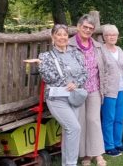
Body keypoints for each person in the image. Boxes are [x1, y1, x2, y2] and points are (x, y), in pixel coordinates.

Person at [38, 24, 87, 166]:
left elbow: (85, 73)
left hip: (74, 97)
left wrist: (76, 84)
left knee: (68, 131)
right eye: (59, 34)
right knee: (74, 128)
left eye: (65, 35)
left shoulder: (76, 53)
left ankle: (67, 163)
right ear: (53, 37)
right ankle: (71, 164)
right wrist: (66, 83)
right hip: (57, 98)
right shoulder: (45, 56)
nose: (62, 37)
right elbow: (48, 78)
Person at [68, 14, 107, 165]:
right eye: (85, 27)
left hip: (94, 89)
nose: (88, 30)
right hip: (76, 91)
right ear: (78, 27)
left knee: (94, 120)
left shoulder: (97, 46)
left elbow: (103, 68)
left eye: (91, 28)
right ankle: (85, 155)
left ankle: (97, 154)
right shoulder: (69, 44)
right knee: (80, 122)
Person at [101, 24, 123, 156]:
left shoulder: (120, 50)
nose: (112, 37)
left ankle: (118, 143)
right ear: (104, 37)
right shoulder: (101, 51)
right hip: (109, 90)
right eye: (109, 35)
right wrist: (102, 91)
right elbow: (101, 72)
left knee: (119, 118)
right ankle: (108, 146)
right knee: (109, 119)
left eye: (114, 35)